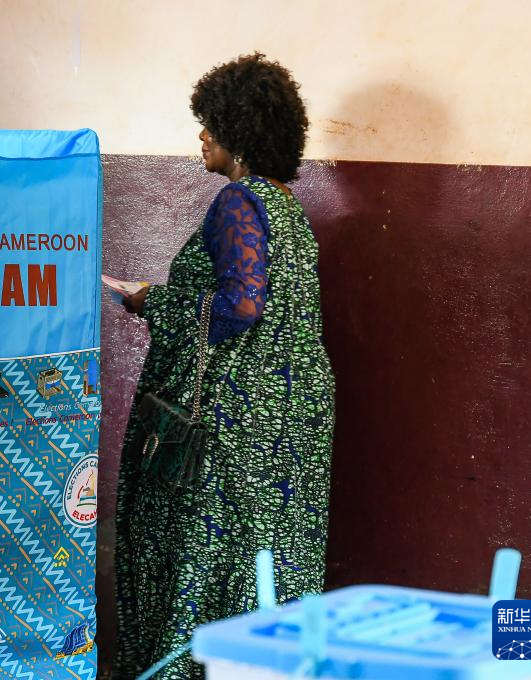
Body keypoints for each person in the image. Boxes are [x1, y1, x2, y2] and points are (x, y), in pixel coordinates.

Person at [114, 53, 335, 679]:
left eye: (211, 122)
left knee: (207, 545)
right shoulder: (289, 209)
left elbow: (242, 304)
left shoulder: (239, 201)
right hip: (296, 413)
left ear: (239, 134)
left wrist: (154, 302)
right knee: (271, 550)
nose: (202, 134)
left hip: (239, 417)